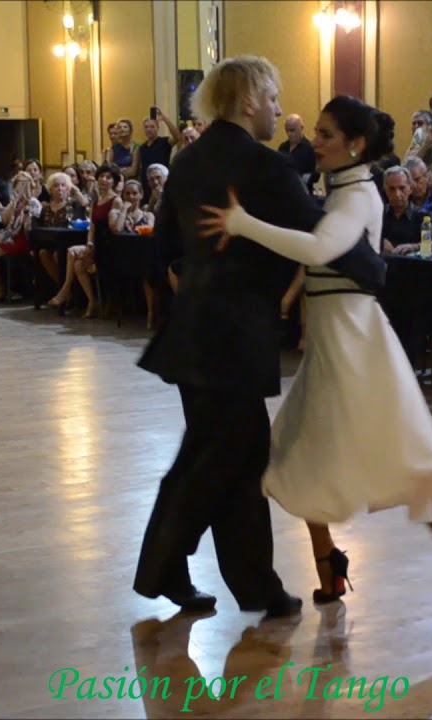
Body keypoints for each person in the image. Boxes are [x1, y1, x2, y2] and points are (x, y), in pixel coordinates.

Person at [197, 94, 432, 635]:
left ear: (355, 144)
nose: (316, 140)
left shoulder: (358, 193)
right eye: (316, 130)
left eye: (327, 133)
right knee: (298, 454)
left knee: (415, 464)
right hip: (334, 342)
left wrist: (242, 223)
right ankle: (329, 568)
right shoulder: (337, 188)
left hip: (358, 344)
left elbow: (319, 249)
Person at [133, 57, 382, 619]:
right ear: (247, 101)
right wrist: (377, 269)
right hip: (232, 337)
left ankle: (253, 585)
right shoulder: (263, 167)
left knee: (231, 458)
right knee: (219, 459)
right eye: (272, 98)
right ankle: (164, 566)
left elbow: (165, 247)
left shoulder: (187, 160)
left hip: (194, 331)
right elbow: (321, 229)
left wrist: (195, 287)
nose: (277, 108)